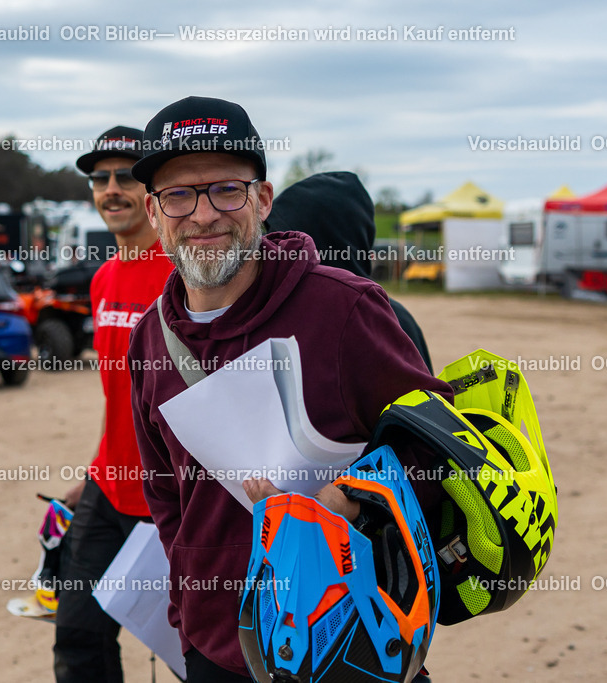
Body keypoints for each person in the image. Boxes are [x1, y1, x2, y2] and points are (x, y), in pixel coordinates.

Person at [126, 97, 452, 681]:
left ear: (263, 200)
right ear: (154, 213)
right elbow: (164, 494)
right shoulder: (150, 338)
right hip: (218, 650)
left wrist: (350, 500)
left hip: (352, 641)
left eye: (226, 188)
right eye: (178, 195)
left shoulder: (345, 308)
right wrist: (188, 616)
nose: (203, 215)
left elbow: (438, 450)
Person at [53, 126, 175, 683]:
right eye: (99, 179)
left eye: (125, 175)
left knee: (190, 648)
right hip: (108, 489)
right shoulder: (103, 279)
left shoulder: (183, 274)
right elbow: (116, 392)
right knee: (79, 637)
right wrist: (93, 467)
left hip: (173, 496)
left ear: (149, 190)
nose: (111, 189)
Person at [265, 171, 434, 371]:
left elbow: (424, 400)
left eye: (288, 243)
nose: (275, 250)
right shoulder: (278, 315)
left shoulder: (389, 320)